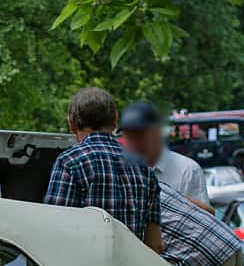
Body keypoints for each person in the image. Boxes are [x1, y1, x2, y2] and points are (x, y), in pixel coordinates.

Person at [43, 88, 162, 251]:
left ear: (71, 122)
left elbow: (53, 232)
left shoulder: (69, 162)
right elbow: (155, 245)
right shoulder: (143, 167)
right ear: (115, 119)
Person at [119, 102, 208, 207]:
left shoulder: (188, 170)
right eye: (128, 135)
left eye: (139, 134)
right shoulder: (121, 169)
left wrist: (173, 200)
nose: (133, 141)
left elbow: (206, 218)